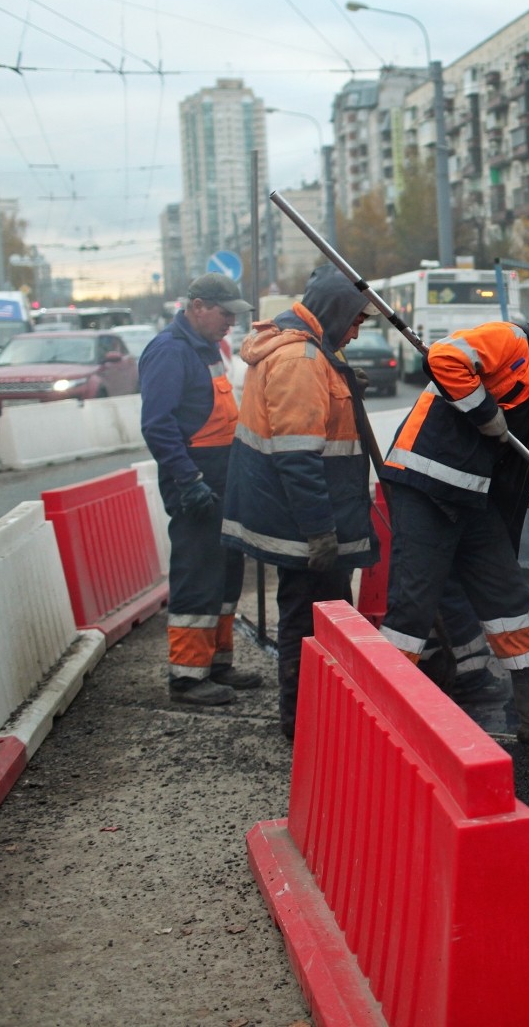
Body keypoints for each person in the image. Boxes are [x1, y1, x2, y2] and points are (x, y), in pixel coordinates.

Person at [376, 310, 529, 746]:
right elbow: (444, 357)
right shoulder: (513, 339)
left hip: (471, 496)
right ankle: (383, 716)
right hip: (426, 485)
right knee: (413, 607)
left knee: (509, 599)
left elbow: (517, 469)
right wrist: (483, 412)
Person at [221, 267, 379, 740]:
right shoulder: (301, 360)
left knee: (312, 620)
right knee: (311, 625)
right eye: (354, 321)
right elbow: (298, 457)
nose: (355, 331)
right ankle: (307, 725)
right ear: (334, 313)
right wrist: (320, 532)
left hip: (303, 518)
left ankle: (314, 717)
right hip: (306, 524)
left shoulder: (312, 354)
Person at [422, 380, 529, 705]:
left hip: (462, 516)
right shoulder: (509, 420)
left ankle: (457, 673)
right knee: (455, 593)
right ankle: (465, 678)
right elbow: (513, 480)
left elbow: (524, 483)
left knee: (456, 595)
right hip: (448, 511)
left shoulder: (524, 428)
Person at [139, 273, 260, 706]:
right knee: (198, 575)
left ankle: (217, 664)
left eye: (234, 314)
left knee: (226, 574)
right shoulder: (170, 352)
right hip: (195, 481)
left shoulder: (205, 348)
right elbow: (157, 425)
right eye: (225, 313)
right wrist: (188, 480)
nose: (231, 322)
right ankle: (188, 677)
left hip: (221, 477)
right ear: (197, 307)